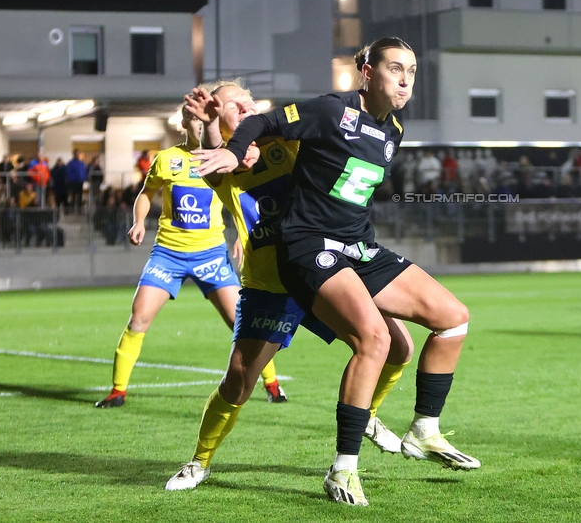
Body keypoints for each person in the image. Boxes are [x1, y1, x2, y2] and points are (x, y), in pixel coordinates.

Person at [192, 37, 478, 507]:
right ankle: (342, 469)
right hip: (307, 249)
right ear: (367, 72)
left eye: (411, 70)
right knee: (374, 341)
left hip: (356, 249)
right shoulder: (331, 111)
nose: (405, 79)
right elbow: (262, 123)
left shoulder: (394, 132)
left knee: (453, 318)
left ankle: (423, 429)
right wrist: (228, 146)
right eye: (394, 68)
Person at [165, 81, 413, 491]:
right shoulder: (219, 161)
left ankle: (365, 413)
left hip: (325, 268)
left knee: (396, 344)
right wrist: (210, 129)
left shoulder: (289, 142)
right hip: (270, 283)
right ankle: (199, 462)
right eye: (231, 106)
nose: (243, 108)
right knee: (239, 380)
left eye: (247, 100)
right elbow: (222, 156)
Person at [94, 105, 286, 409]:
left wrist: (240, 235)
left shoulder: (225, 158)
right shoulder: (167, 158)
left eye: (206, 121)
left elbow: (242, 195)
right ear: (185, 122)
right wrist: (138, 221)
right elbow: (146, 193)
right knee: (139, 318)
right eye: (196, 121)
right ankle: (118, 391)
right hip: (168, 254)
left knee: (243, 321)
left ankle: (273, 384)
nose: (200, 126)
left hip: (210, 254)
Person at [65, 149, 88, 214]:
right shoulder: (71, 163)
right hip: (73, 182)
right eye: (76, 153)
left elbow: (84, 171)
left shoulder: (81, 163)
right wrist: (71, 179)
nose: (77, 155)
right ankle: (72, 210)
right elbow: (68, 173)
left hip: (80, 182)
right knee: (74, 196)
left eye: (78, 153)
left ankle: (79, 210)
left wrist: (84, 178)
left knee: (80, 196)